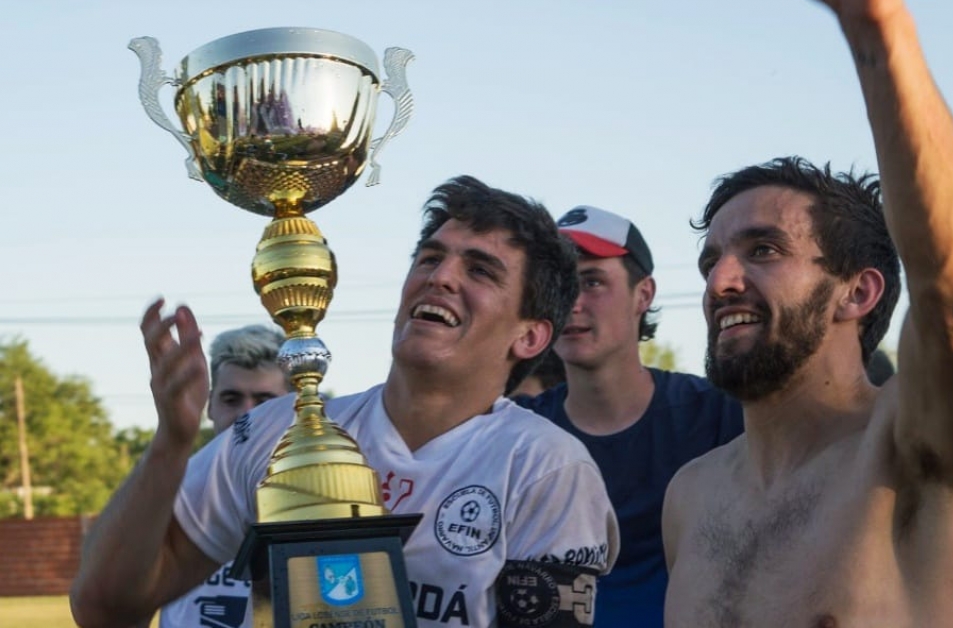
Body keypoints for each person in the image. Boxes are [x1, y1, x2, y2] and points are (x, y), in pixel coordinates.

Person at [70, 176, 619, 628]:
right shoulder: (271, 432)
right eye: (429, 258)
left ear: (529, 337)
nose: (440, 277)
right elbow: (104, 609)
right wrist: (171, 442)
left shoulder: (546, 467)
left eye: (479, 270)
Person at [661, 0, 953, 625]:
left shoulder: (908, 449)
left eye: (763, 250)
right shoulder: (690, 495)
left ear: (857, 292)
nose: (719, 280)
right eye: (711, 258)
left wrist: (877, 26)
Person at [515, 205, 743, 626]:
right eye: (561, 285)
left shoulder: (716, 415)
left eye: (592, 282)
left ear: (644, 294)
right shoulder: (520, 433)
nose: (572, 303)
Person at [156, 324, 289, 628]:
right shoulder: (171, 490)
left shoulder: (322, 495)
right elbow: (123, 608)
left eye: (265, 402)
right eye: (231, 399)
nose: (246, 415)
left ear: (294, 406)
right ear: (210, 404)